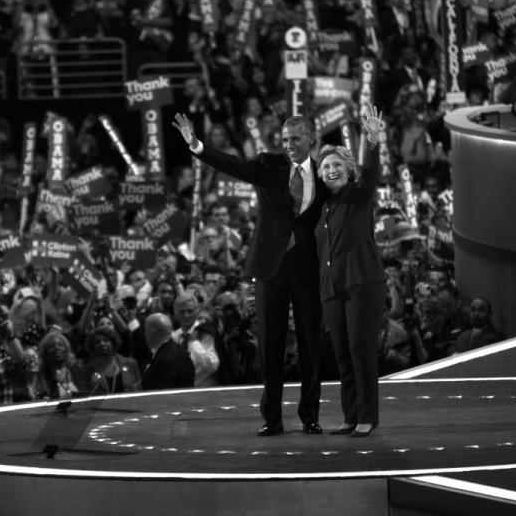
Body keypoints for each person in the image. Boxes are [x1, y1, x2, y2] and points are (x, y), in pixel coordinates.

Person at [173, 112, 326, 436]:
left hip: (307, 268)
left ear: (311, 137)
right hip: (270, 268)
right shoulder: (269, 165)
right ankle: (272, 418)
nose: (289, 145)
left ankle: (310, 416)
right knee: (270, 345)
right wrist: (197, 146)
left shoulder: (325, 171)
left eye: (296, 139)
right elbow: (234, 165)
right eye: (285, 140)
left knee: (311, 343)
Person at [315, 106, 387, 438]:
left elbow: (372, 173)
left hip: (361, 282)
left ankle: (367, 417)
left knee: (361, 350)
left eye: (335, 165)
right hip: (332, 288)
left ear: (348, 169)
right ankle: (350, 415)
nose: (330, 170)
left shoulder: (359, 195)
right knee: (342, 354)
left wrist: (373, 139)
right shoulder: (321, 209)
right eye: (325, 166)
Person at [141, 314, 194, 391]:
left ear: (152, 331)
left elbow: (163, 396)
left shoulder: (164, 361)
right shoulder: (180, 350)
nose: (144, 334)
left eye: (145, 330)